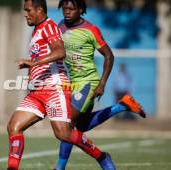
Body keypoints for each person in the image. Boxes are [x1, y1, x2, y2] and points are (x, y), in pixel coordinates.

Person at [7, 0, 116, 169]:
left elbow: (60, 52)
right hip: (37, 91)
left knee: (64, 134)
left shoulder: (50, 26)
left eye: (28, 10)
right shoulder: (36, 30)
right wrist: (31, 75)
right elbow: (37, 57)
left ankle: (101, 156)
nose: (25, 14)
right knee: (14, 126)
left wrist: (32, 64)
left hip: (54, 89)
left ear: (39, 9)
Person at [54, 1, 146, 170]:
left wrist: (102, 84)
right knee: (79, 127)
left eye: (71, 9)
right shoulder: (60, 26)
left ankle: (62, 167)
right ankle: (122, 106)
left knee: (67, 125)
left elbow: (109, 56)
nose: (66, 12)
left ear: (80, 10)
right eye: (64, 9)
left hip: (87, 83)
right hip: (71, 83)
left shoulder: (91, 30)